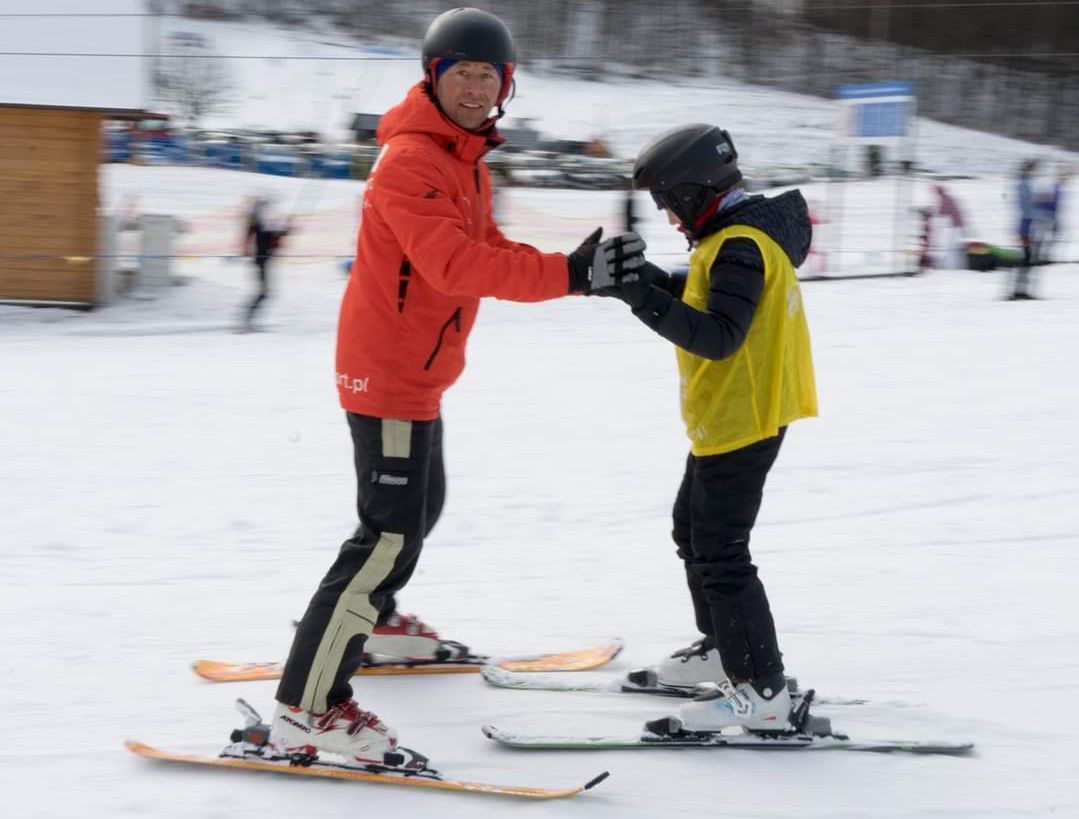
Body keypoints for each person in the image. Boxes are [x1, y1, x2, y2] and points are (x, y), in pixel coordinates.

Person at [267, 7, 644, 766]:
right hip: (391, 372)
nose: (474, 89)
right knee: (384, 537)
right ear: (431, 78)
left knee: (417, 508)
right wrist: (568, 275)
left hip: (416, 370)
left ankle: (372, 624)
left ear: (505, 86)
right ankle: (305, 707)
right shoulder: (412, 159)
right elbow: (453, 266)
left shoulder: (462, 159)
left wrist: (571, 273)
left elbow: (488, 248)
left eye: (487, 76)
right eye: (460, 74)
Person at [593, 123, 817, 733]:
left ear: (694, 192)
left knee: (721, 551)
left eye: (669, 204)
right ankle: (724, 651)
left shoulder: (740, 246)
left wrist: (642, 298)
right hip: (729, 418)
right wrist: (638, 283)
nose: (668, 219)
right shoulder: (732, 240)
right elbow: (701, 302)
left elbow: (718, 336)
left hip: (745, 418)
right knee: (691, 529)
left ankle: (762, 688)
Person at [240, 196, 290, 331]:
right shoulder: (258, 224)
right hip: (261, 259)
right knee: (264, 292)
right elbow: (271, 235)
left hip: (263, 259)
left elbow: (274, 235)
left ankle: (248, 320)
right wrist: (285, 230)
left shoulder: (261, 224)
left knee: (264, 292)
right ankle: (246, 321)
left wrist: (287, 229)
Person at [1010, 159, 1040, 300]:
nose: (1033, 172)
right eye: (1031, 169)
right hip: (1025, 227)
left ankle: (1021, 291)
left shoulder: (1025, 184)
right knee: (1025, 259)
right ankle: (1018, 291)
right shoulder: (1023, 184)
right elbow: (1025, 206)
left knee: (1026, 259)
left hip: (1027, 226)